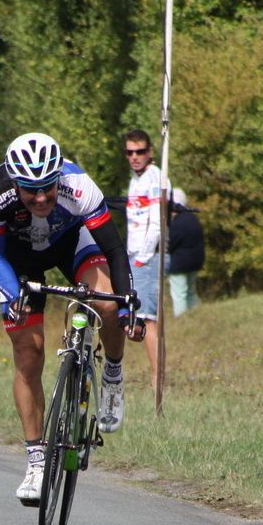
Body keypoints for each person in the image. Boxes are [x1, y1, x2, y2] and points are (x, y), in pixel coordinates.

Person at [0, 132, 144, 504]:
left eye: (47, 190)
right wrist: (11, 295)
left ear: (58, 179)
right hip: (18, 260)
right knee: (28, 354)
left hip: (72, 245)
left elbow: (115, 250)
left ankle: (113, 374)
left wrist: (125, 307)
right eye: (30, 191)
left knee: (104, 302)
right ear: (15, 182)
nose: (40, 198)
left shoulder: (79, 186)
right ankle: (36, 461)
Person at [115, 128, 165, 371]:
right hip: (133, 254)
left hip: (147, 257)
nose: (135, 156)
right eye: (130, 152)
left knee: (147, 320)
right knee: (134, 320)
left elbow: (157, 224)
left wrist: (142, 259)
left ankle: (157, 378)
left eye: (140, 151)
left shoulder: (155, 177)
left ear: (150, 152)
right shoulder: (136, 180)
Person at [165, 187, 205, 314]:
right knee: (191, 292)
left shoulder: (177, 223)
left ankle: (181, 319)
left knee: (179, 294)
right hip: (195, 262)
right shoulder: (193, 218)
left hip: (179, 265)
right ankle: (197, 313)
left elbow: (169, 244)